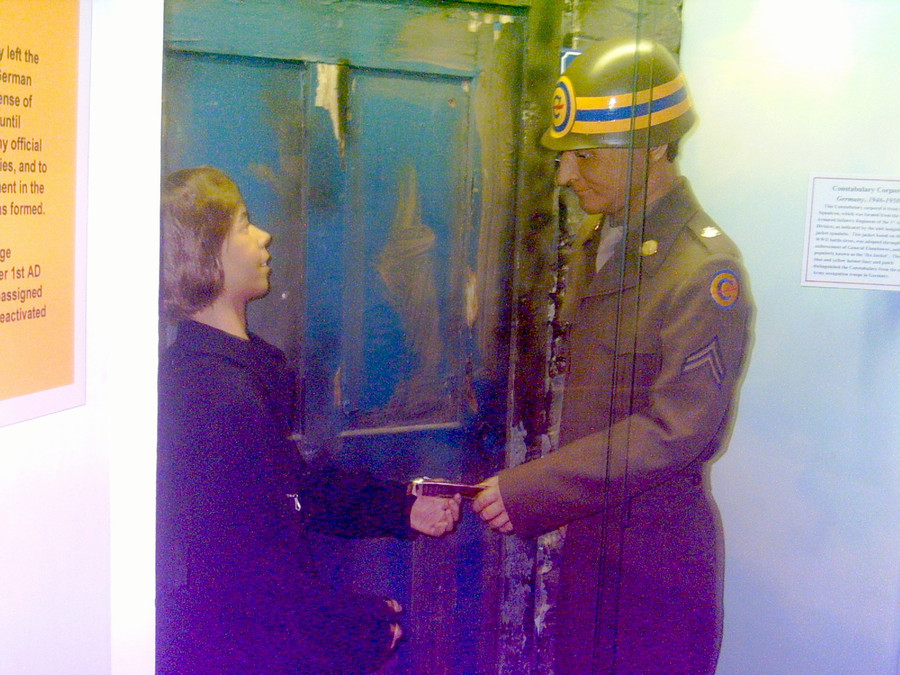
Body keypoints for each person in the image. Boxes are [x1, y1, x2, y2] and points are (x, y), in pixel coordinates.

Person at [473, 38, 754, 674]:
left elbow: (676, 430)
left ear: (653, 147)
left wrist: (537, 487)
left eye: (586, 155)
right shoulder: (608, 241)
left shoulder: (702, 270)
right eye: (565, 156)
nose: (565, 175)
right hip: (595, 547)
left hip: (652, 569)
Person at [156, 166, 461, 674]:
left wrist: (402, 508)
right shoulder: (216, 394)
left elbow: (291, 490)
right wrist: (347, 629)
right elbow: (251, 579)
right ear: (206, 253)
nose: (264, 236)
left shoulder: (230, 372)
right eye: (244, 225)